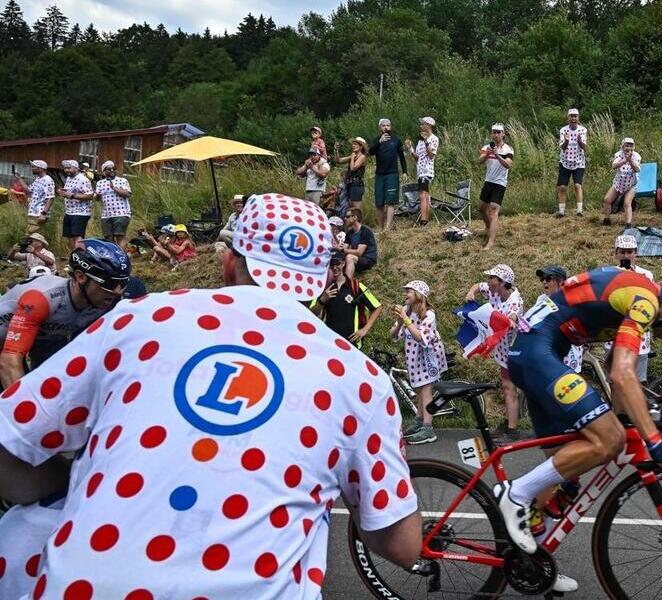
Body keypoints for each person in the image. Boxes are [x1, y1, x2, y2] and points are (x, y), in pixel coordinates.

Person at [0, 195, 421, 599]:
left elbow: (9, 443)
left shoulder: (138, 318)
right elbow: (402, 546)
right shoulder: (359, 376)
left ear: (228, 262)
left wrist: (75, 485)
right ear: (322, 280)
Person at [497, 266, 662, 562]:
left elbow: (611, 365)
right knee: (610, 439)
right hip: (538, 353)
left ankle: (532, 563)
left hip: (540, 352)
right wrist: (653, 440)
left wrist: (636, 415)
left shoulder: (644, 297)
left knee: (562, 472)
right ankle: (514, 494)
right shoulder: (645, 302)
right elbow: (621, 374)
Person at [0, 239, 129, 389]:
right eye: (109, 284)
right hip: (9, 345)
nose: (117, 291)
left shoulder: (107, 300)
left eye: (124, 282)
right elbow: (9, 359)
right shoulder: (42, 299)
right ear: (81, 277)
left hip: (45, 335)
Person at [465, 264, 524, 440]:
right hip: (502, 351)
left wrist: (510, 321)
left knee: (509, 388)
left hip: (514, 351)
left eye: (491, 278)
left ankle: (512, 430)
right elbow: (478, 285)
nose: (488, 281)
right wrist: (471, 292)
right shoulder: (494, 290)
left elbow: (512, 317)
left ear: (502, 282)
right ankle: (508, 423)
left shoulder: (515, 301)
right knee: (507, 388)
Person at [393, 280, 448, 445]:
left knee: (426, 390)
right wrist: (401, 322)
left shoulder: (429, 315)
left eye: (408, 291)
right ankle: (419, 421)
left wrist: (406, 320)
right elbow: (393, 335)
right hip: (415, 357)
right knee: (419, 390)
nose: (405, 295)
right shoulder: (408, 312)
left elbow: (420, 337)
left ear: (418, 295)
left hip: (428, 357)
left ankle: (428, 428)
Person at [607, 235, 655, 383]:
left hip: (639, 334)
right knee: (614, 381)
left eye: (629, 252)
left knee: (639, 382)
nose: (626, 255)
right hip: (615, 332)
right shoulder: (608, 274)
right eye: (622, 252)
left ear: (636, 253)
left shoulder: (647, 274)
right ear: (616, 253)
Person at [316, 252, 383, 349]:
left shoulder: (355, 286)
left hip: (351, 344)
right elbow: (313, 313)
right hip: (329, 343)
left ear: (343, 263)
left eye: (337, 263)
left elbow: (378, 307)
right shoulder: (324, 288)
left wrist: (365, 329)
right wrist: (322, 300)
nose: (334, 267)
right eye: (331, 264)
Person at [532, 265, 584, 373]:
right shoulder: (541, 299)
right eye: (542, 279)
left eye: (548, 278)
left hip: (568, 352)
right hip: (548, 349)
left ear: (561, 281)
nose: (544, 282)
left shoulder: (572, 300)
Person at [478, 123, 514, 250]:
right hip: (488, 181)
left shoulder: (508, 149)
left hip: (500, 183)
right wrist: (488, 153)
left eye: (499, 132)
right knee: (481, 208)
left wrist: (497, 155)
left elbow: (508, 165)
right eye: (494, 132)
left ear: (503, 134)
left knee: (493, 211)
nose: (496, 134)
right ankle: (488, 227)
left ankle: (491, 242)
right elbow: (480, 161)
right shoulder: (487, 147)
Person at [368, 118, 408, 231]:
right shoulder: (376, 140)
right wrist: (379, 142)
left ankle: (388, 228)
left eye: (388, 125)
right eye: (383, 125)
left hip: (392, 173)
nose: (386, 127)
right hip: (380, 174)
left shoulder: (396, 140)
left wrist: (405, 171)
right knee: (379, 202)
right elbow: (370, 152)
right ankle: (380, 228)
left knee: (391, 201)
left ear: (391, 127)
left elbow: (402, 157)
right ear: (380, 127)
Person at [406, 116, 439, 226]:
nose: (421, 126)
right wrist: (410, 148)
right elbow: (417, 158)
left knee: (423, 194)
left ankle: (424, 220)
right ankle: (424, 219)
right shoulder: (420, 141)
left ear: (429, 125)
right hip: (420, 171)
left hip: (427, 171)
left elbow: (431, 155)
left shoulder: (434, 139)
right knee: (423, 194)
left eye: (423, 124)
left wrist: (426, 141)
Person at [601, 138, 641, 228]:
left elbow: (637, 169)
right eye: (627, 145)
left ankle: (628, 224)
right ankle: (606, 219)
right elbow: (614, 166)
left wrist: (630, 160)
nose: (629, 148)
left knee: (627, 203)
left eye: (631, 145)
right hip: (619, 183)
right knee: (607, 200)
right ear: (623, 146)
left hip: (631, 184)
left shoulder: (637, 156)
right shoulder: (618, 154)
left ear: (633, 147)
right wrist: (625, 160)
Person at [555, 108, 588, 218]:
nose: (573, 118)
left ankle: (579, 211)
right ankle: (561, 211)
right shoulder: (563, 130)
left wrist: (579, 140)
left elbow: (584, 147)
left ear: (578, 118)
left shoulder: (583, 130)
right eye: (571, 116)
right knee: (562, 187)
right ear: (568, 118)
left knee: (577, 185)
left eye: (575, 116)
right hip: (565, 161)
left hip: (579, 162)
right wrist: (567, 141)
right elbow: (562, 148)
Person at [58, 159, 95, 255]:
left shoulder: (83, 179)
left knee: (77, 236)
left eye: (69, 168)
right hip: (69, 211)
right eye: (65, 168)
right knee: (70, 236)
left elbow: (90, 196)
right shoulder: (69, 179)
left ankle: (81, 258)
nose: (67, 170)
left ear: (76, 168)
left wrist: (72, 195)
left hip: (81, 212)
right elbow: (70, 191)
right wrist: (63, 191)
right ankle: (74, 257)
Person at [94, 160, 132, 250]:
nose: (111, 170)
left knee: (120, 235)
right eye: (108, 169)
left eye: (113, 168)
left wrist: (114, 188)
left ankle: (121, 257)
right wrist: (98, 196)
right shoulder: (100, 183)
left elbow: (127, 194)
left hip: (121, 213)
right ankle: (112, 258)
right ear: (104, 171)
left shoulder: (122, 180)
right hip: (106, 214)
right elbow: (97, 199)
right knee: (108, 238)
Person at [333, 137, 368, 215]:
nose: (353, 146)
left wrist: (352, 158)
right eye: (353, 144)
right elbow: (338, 161)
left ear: (361, 146)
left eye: (355, 144)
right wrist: (336, 150)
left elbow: (353, 168)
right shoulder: (353, 156)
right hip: (349, 184)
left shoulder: (362, 157)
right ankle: (353, 225)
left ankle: (360, 225)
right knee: (350, 207)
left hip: (357, 184)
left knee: (357, 208)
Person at [342, 208, 377, 280]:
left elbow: (359, 252)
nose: (345, 219)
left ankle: (347, 285)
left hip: (368, 260)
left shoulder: (365, 231)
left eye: (347, 217)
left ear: (355, 217)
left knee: (349, 257)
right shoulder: (350, 232)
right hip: (358, 259)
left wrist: (343, 250)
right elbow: (344, 247)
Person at [24, 160, 54, 235]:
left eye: (34, 167)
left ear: (41, 168)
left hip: (39, 213)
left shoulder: (48, 180)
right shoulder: (38, 179)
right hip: (33, 212)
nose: (32, 168)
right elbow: (29, 190)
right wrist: (19, 179)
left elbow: (50, 198)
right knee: (30, 235)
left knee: (35, 236)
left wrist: (43, 214)